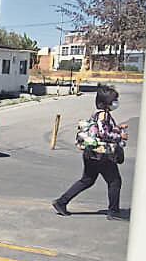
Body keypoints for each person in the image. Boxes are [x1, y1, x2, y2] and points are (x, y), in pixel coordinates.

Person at [53, 85, 128, 220]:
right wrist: (119, 136)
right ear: (106, 103)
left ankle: (61, 202)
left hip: (91, 154)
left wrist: (117, 128)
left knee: (87, 180)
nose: (116, 103)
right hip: (101, 155)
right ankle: (113, 211)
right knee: (115, 181)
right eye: (114, 100)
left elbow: (101, 130)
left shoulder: (98, 114)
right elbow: (103, 133)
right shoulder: (104, 115)